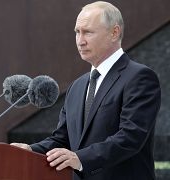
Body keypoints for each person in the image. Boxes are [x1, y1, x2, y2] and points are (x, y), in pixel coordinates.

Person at [11, 1, 161, 180]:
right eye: (77, 32)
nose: (80, 41)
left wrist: (80, 158)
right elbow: (63, 139)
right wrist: (31, 150)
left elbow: (131, 137)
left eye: (88, 32)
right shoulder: (77, 86)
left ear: (114, 32)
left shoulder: (140, 77)